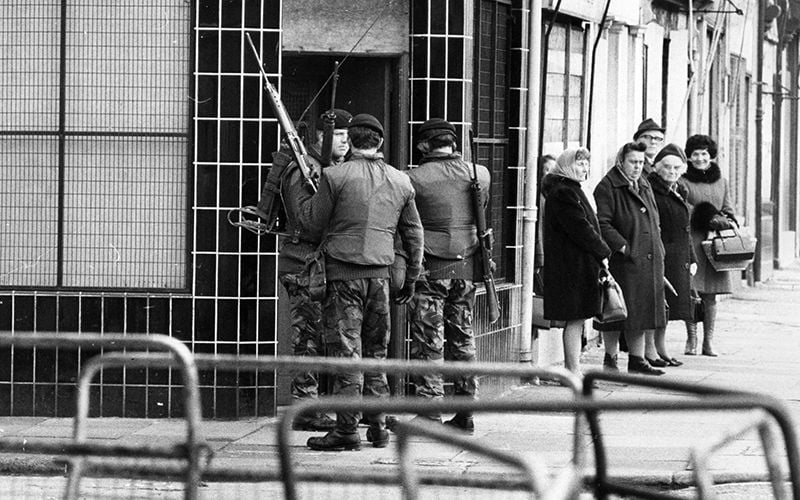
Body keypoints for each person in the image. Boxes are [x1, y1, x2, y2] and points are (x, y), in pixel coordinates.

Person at [297, 113, 424, 451]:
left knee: (347, 354)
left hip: (342, 277)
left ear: (351, 141)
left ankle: (346, 430)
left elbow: (311, 223)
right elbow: (413, 233)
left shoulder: (335, 176)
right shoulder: (401, 181)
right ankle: (379, 427)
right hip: (380, 280)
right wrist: (411, 277)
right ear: (380, 143)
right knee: (376, 354)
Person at [400, 118, 491, 433]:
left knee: (429, 343)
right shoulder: (479, 174)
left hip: (430, 268)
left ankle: (430, 411)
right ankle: (466, 409)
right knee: (464, 340)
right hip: (465, 268)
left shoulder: (413, 179)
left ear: (424, 145)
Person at [274, 108, 352, 432]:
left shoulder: (333, 170)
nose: (345, 144)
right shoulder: (301, 170)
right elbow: (305, 219)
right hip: (302, 262)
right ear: (321, 137)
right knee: (305, 336)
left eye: (348, 138)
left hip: (319, 264)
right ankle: (305, 407)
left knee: (319, 335)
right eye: (340, 137)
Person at [593, 142, 667, 375]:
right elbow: (601, 223)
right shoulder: (608, 186)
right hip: (623, 261)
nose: (638, 167)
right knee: (616, 310)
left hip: (648, 258)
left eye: (641, 162)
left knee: (641, 312)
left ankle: (637, 360)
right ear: (621, 162)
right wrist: (624, 247)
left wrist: (659, 249)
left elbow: (654, 220)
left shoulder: (644, 183)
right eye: (633, 162)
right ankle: (611, 359)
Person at [542, 148, 611, 375]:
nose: (585, 169)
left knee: (579, 318)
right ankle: (572, 369)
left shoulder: (570, 190)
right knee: (575, 318)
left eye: (586, 164)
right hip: (571, 266)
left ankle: (574, 368)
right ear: (567, 166)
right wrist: (602, 251)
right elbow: (581, 227)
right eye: (580, 164)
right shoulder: (564, 192)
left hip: (577, 264)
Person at [681, 134, 737, 357]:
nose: (700, 158)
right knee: (693, 292)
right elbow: (682, 207)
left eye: (704, 154)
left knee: (711, 295)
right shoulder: (683, 181)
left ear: (711, 155)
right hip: (693, 241)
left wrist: (724, 220)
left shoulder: (721, 181)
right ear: (689, 157)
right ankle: (691, 339)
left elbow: (728, 208)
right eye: (695, 154)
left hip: (715, 244)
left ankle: (709, 341)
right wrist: (705, 216)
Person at [647, 143, 697, 366]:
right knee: (655, 304)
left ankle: (660, 348)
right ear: (657, 167)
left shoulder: (680, 190)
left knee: (667, 306)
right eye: (667, 167)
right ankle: (651, 350)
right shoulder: (652, 190)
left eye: (677, 168)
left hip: (678, 256)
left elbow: (686, 229)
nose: (672, 171)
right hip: (660, 253)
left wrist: (692, 257)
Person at [633, 118, 666, 363]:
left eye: (658, 139)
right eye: (649, 138)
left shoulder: (656, 168)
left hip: (654, 239)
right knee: (641, 302)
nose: (653, 143)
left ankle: (651, 350)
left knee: (655, 299)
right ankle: (644, 352)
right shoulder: (637, 167)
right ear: (638, 139)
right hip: (637, 242)